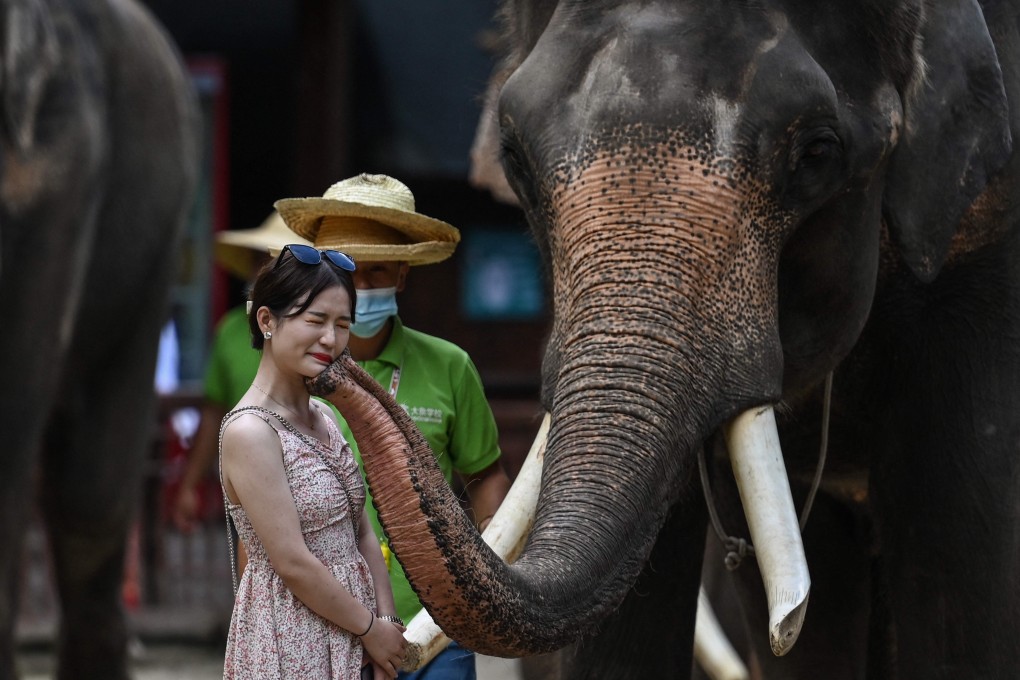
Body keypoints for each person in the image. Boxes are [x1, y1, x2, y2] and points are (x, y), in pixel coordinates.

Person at [275, 173, 512, 680]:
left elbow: (488, 476)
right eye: (348, 271)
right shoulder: (289, 374)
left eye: (376, 272)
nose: (359, 288)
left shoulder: (450, 366)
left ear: (403, 276)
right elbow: (261, 515)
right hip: (320, 627)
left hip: (435, 626)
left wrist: (478, 575)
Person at [219, 243, 407, 679]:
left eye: (343, 324)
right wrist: (369, 628)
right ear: (267, 320)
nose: (331, 339)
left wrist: (387, 629)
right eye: (315, 320)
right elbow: (292, 562)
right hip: (291, 637)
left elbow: (361, 527)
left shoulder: (324, 415)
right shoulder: (250, 432)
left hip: (356, 635)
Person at [172, 215, 313, 578]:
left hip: (311, 476)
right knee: (255, 575)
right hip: (250, 475)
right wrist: (190, 485)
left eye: (275, 264)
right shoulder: (231, 330)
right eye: (258, 262)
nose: (262, 271)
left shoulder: (317, 333)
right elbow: (213, 414)